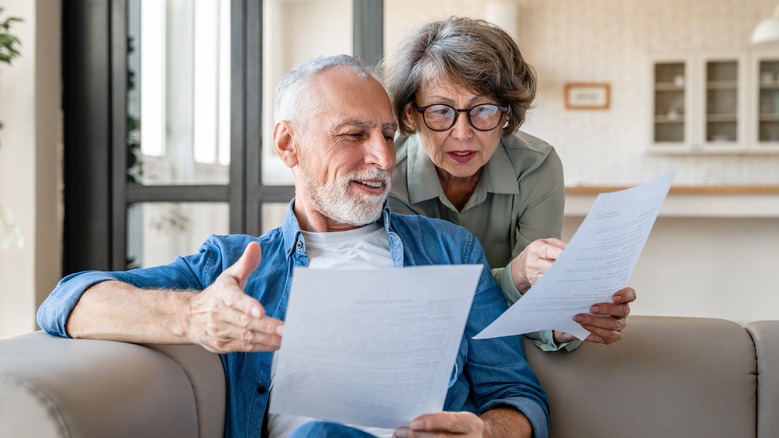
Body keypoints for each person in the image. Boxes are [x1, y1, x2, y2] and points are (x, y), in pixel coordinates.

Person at [37, 55, 549, 438]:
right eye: (354, 134)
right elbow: (65, 301)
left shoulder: (451, 251)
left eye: (388, 135)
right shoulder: (235, 265)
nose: (382, 158)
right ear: (288, 145)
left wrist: (485, 432)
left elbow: (517, 397)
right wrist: (193, 315)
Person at [382, 17, 634, 351]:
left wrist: (564, 324)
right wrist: (515, 277)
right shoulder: (385, 175)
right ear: (412, 115)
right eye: (441, 111)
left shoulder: (537, 166)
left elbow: (538, 301)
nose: (462, 133)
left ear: (507, 115)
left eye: (484, 110)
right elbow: (420, 302)